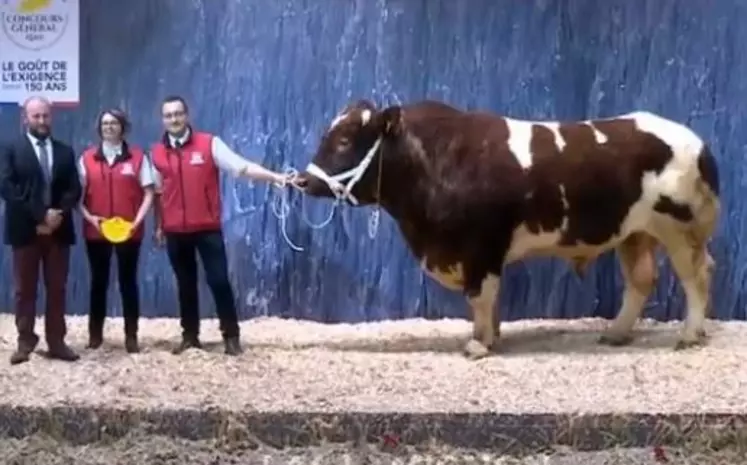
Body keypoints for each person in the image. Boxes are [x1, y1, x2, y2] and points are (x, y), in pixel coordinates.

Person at [150, 95, 291, 356]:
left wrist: (275, 178)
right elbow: (158, 192)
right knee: (185, 284)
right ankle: (190, 337)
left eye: (178, 113)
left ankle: (231, 336)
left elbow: (241, 167)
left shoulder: (209, 144)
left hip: (206, 228)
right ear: (163, 120)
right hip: (175, 231)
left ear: (187, 115)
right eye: (168, 115)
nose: (174, 119)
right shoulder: (157, 153)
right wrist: (159, 226)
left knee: (219, 281)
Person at [0, 96, 82, 364]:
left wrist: (58, 213)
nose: (42, 121)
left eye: (46, 116)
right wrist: (40, 215)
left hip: (58, 231)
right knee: (25, 289)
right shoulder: (10, 148)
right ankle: (25, 341)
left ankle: (56, 341)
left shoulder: (65, 151)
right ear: (25, 118)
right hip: (25, 230)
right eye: (36, 116)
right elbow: (7, 187)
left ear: (52, 117)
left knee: (57, 287)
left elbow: (74, 189)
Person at [78, 108, 156, 353]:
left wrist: (137, 222)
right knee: (98, 283)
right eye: (105, 123)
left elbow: (149, 192)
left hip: (129, 233)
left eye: (114, 123)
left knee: (128, 282)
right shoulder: (87, 158)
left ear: (123, 127)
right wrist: (91, 219)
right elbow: (77, 198)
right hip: (97, 232)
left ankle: (131, 336)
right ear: (99, 128)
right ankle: (95, 336)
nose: (109, 127)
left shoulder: (138, 157)